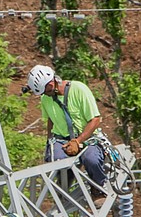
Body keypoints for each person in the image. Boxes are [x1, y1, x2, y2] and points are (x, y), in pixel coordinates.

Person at [24, 64, 108, 197]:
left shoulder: (79, 89)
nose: (47, 94)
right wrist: (49, 142)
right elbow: (51, 120)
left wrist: (79, 141)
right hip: (62, 138)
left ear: (52, 82)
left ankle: (98, 187)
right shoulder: (46, 99)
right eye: (44, 93)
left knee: (91, 159)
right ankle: (65, 182)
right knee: (56, 159)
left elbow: (95, 120)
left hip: (87, 137)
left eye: (47, 90)